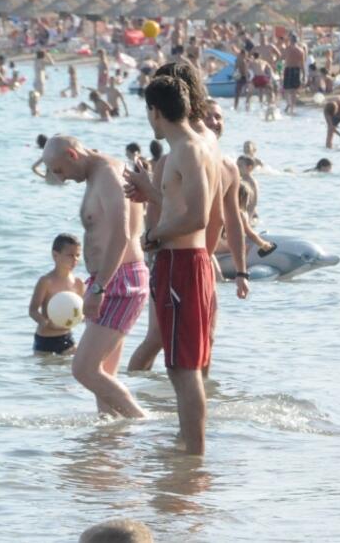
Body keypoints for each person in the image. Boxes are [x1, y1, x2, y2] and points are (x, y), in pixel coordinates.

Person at [41, 136, 149, 417]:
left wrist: (99, 287)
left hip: (120, 280)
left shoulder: (108, 174)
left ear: (72, 155)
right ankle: (108, 449)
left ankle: (144, 422)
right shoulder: (99, 171)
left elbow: (122, 234)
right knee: (102, 381)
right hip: (112, 277)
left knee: (84, 369)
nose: (60, 179)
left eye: (60, 170)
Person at [140, 75, 219, 455]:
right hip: (190, 263)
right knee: (186, 365)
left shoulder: (186, 149)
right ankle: (188, 447)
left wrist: (151, 237)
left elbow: (198, 217)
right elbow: (181, 204)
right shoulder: (197, 146)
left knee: (182, 368)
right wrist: (151, 192)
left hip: (182, 263)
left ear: (156, 112)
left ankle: (192, 453)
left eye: (149, 113)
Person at [28, 233, 85, 355]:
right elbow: (33, 310)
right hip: (45, 339)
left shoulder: (78, 283)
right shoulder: (46, 281)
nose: (74, 259)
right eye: (70, 255)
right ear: (55, 255)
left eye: (77, 255)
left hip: (67, 337)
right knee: (45, 373)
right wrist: (45, 322)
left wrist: (81, 318)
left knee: (70, 371)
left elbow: (82, 311)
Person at [282, 33, 307, 113]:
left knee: (286, 89)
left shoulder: (288, 49)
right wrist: (304, 75)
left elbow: (283, 57)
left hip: (288, 69)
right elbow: (302, 64)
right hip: (296, 70)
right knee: (294, 90)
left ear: (291, 40)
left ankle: (289, 103)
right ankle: (292, 108)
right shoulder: (301, 50)